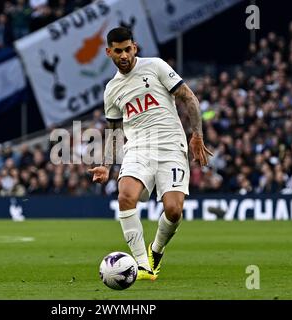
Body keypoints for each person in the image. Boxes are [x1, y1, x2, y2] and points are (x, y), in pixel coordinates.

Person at [89, 27, 213, 281]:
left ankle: (156, 250)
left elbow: (188, 97)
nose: (123, 55)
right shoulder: (112, 90)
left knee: (174, 210)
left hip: (171, 146)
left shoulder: (155, 66)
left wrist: (197, 135)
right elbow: (114, 130)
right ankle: (142, 265)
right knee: (126, 196)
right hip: (138, 148)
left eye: (127, 49)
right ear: (108, 52)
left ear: (135, 47)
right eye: (118, 51)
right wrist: (105, 164)